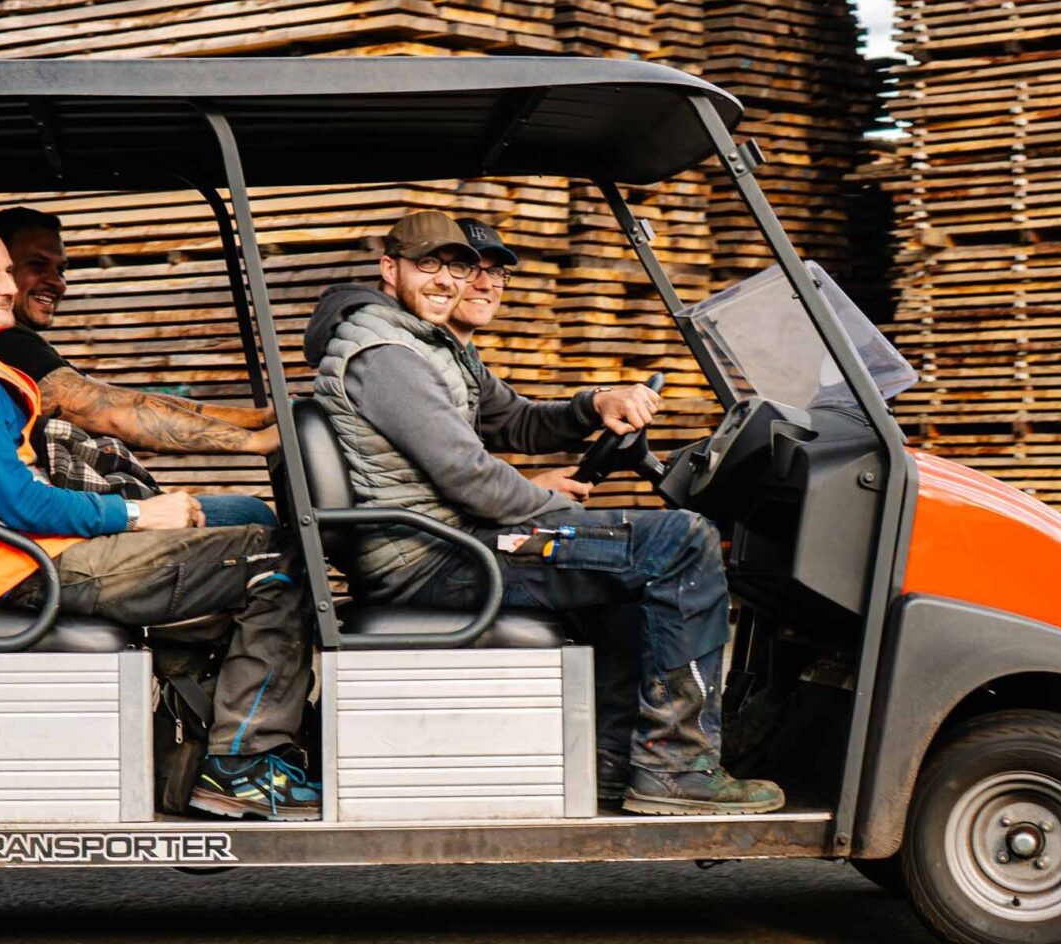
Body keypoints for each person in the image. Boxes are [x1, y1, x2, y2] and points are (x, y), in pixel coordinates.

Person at [303, 210, 782, 815]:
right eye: (431, 266)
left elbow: (512, 420)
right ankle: (677, 768)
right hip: (439, 558)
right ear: (389, 268)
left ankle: (616, 763)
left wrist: (593, 405)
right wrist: (554, 506)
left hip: (449, 544)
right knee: (682, 542)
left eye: (456, 267)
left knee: (636, 566)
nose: (451, 281)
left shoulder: (427, 344)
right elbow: (469, 477)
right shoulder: (389, 356)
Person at [0, 214, 320, 820]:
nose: (9, 287)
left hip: (41, 553)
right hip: (26, 567)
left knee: (246, 531)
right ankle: (243, 766)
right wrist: (140, 512)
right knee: (268, 560)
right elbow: (18, 502)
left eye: (7, 272)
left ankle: (198, 727)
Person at [0, 206, 277, 528]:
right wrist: (254, 442)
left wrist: (257, 419)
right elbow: (113, 412)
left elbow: (121, 399)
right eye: (37, 265)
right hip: (66, 519)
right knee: (252, 516)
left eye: (61, 270)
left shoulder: (18, 342)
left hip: (79, 506)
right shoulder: (3, 343)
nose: (56, 282)